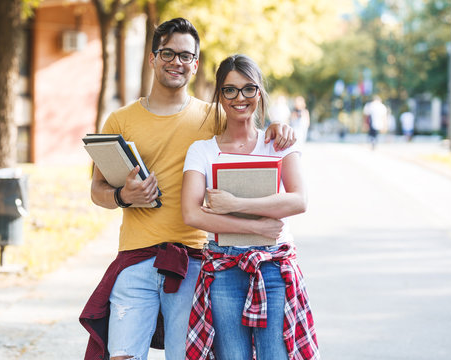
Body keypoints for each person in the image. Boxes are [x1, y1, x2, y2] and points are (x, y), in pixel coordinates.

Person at [79, 18, 296, 360]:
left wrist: (279, 127)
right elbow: (97, 192)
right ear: (152, 58)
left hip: (193, 261)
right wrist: (124, 196)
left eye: (185, 55)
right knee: (122, 355)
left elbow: (249, 130)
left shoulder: (214, 117)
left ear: (195, 65)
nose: (176, 61)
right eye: (167, 52)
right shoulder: (119, 120)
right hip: (135, 258)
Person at [182, 54, 319, 360]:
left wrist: (235, 204)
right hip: (223, 267)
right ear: (219, 95)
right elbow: (191, 213)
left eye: (248, 88)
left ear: (259, 92)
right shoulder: (202, 151)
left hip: (272, 266)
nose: (239, 97)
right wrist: (255, 225)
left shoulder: (278, 143)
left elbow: (299, 200)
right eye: (230, 90)